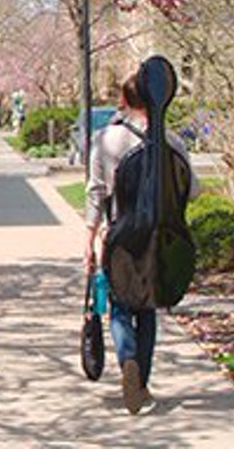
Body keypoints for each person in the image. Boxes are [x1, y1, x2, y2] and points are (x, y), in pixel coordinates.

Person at [83, 75, 198, 415]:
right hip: (160, 237)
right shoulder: (173, 141)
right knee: (147, 308)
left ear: (125, 98)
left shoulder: (105, 139)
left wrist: (89, 238)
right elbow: (191, 189)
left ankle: (127, 360)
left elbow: (95, 192)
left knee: (120, 305)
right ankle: (142, 382)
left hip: (119, 235)